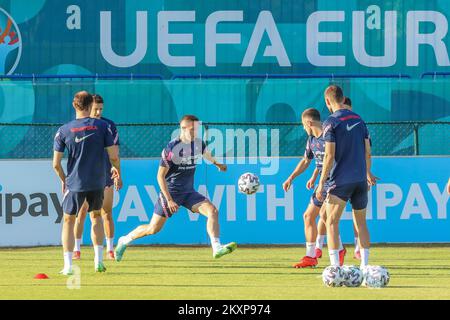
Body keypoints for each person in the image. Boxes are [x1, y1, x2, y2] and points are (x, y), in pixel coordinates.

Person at [114, 115, 237, 261]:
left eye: (197, 129)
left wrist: (217, 164)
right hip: (171, 192)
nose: (195, 132)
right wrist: (169, 200)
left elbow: (206, 154)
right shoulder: (172, 148)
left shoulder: (198, 143)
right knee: (153, 229)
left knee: (213, 211)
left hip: (189, 192)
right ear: (183, 128)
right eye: (192, 129)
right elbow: (160, 176)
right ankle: (124, 240)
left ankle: (217, 247)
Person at [52, 91, 121, 275]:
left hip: (74, 183)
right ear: (91, 105)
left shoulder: (64, 130)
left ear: (74, 106)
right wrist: (116, 170)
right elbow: (114, 155)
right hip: (98, 182)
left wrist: (63, 180)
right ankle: (98, 261)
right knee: (96, 217)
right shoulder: (103, 126)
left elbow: (56, 164)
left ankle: (68, 266)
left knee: (68, 220)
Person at [316, 85, 378, 269]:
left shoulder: (330, 122)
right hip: (360, 180)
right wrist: (367, 173)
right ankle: (365, 267)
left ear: (328, 102)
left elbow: (328, 155)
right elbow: (368, 151)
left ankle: (335, 268)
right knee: (361, 223)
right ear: (343, 99)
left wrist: (321, 183)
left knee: (331, 221)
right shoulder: (359, 120)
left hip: (340, 181)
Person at [283, 108, 346, 268]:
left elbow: (330, 159)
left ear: (309, 122)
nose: (303, 128)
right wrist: (291, 177)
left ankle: (338, 250)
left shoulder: (329, 135)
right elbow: (307, 160)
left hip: (336, 181)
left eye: (304, 125)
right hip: (323, 182)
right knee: (308, 216)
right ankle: (311, 256)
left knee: (326, 217)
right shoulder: (311, 140)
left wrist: (320, 180)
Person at [73, 94, 121, 260]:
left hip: (105, 175)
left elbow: (115, 153)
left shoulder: (108, 125)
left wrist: (117, 173)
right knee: (82, 212)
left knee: (106, 212)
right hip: (85, 177)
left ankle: (109, 250)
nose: (99, 112)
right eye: (95, 109)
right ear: (88, 108)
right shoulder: (79, 126)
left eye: (101, 109)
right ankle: (77, 249)